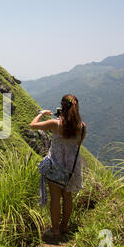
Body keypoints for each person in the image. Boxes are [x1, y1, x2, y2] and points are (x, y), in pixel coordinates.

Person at [30, 94, 86, 237]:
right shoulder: (82, 127)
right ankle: (64, 227)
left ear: (62, 107)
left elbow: (33, 125)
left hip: (56, 166)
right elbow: (78, 144)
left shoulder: (56, 124)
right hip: (72, 168)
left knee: (55, 198)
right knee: (68, 196)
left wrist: (42, 114)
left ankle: (54, 231)